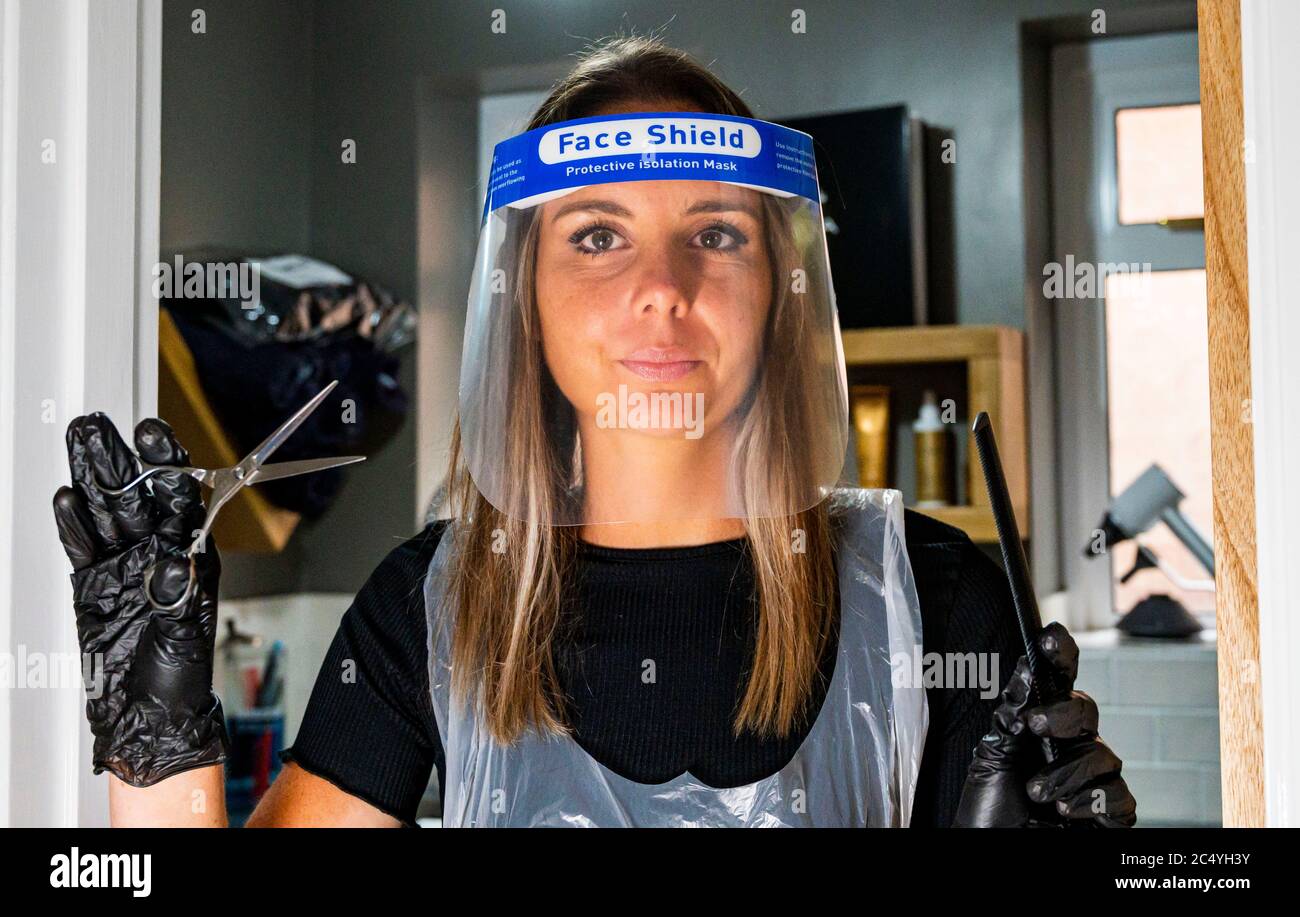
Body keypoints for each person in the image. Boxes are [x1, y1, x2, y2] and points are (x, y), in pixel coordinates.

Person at [52, 35, 1135, 828]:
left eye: (714, 230)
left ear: (780, 291)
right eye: (598, 234)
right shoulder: (427, 607)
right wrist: (160, 758)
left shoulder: (930, 596)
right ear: (522, 295)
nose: (662, 289)